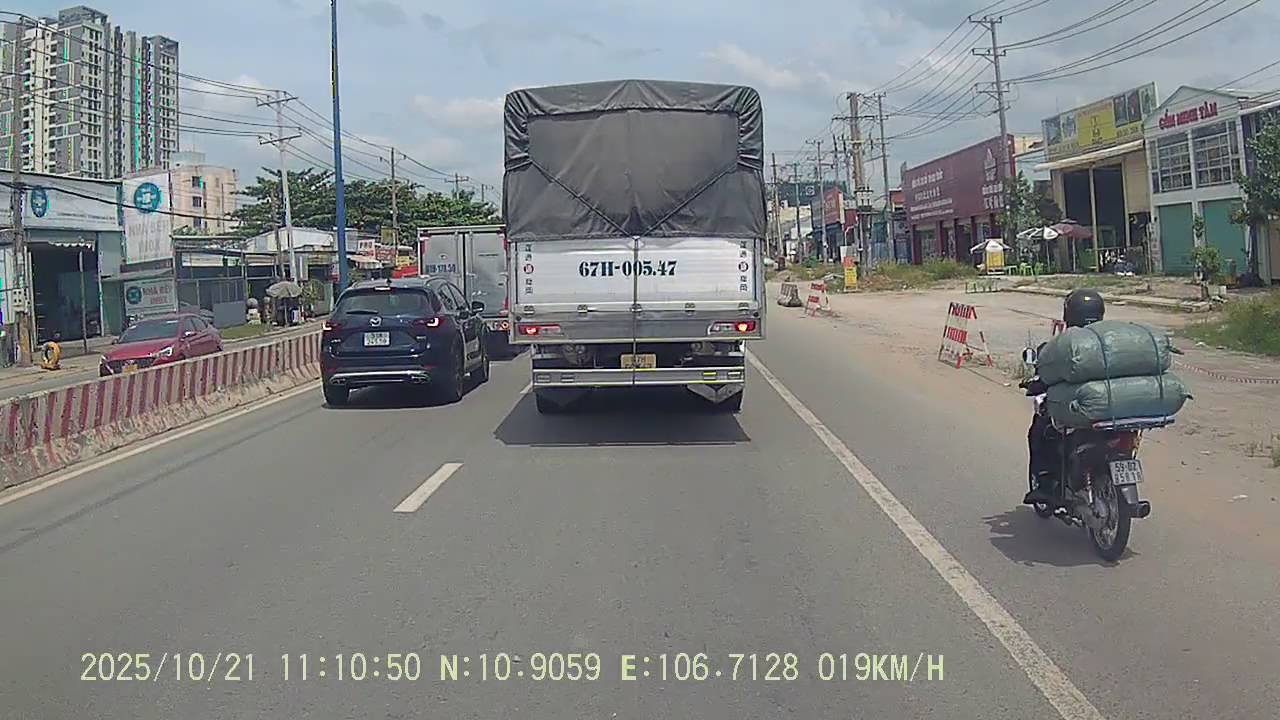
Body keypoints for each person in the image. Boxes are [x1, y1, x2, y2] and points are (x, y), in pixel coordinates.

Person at [1024, 288, 1106, 506]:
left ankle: (1046, 485)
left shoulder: (1063, 346)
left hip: (1078, 411)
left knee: (1040, 431)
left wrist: (1036, 383)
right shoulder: (1109, 341)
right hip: (1111, 410)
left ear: (1069, 314)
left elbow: (1047, 372)